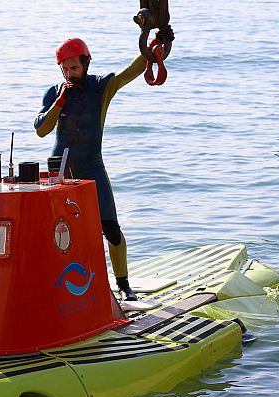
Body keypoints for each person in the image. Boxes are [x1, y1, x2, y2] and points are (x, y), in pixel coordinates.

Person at [34, 36, 171, 302]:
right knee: (62, 231)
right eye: (65, 69)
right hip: (60, 171)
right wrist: (60, 100)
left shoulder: (101, 87)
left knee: (111, 228)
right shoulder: (53, 92)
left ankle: (123, 284)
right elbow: (41, 130)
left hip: (92, 166)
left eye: (74, 67)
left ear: (85, 63)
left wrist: (153, 44)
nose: (70, 73)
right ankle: (70, 284)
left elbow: (130, 72)